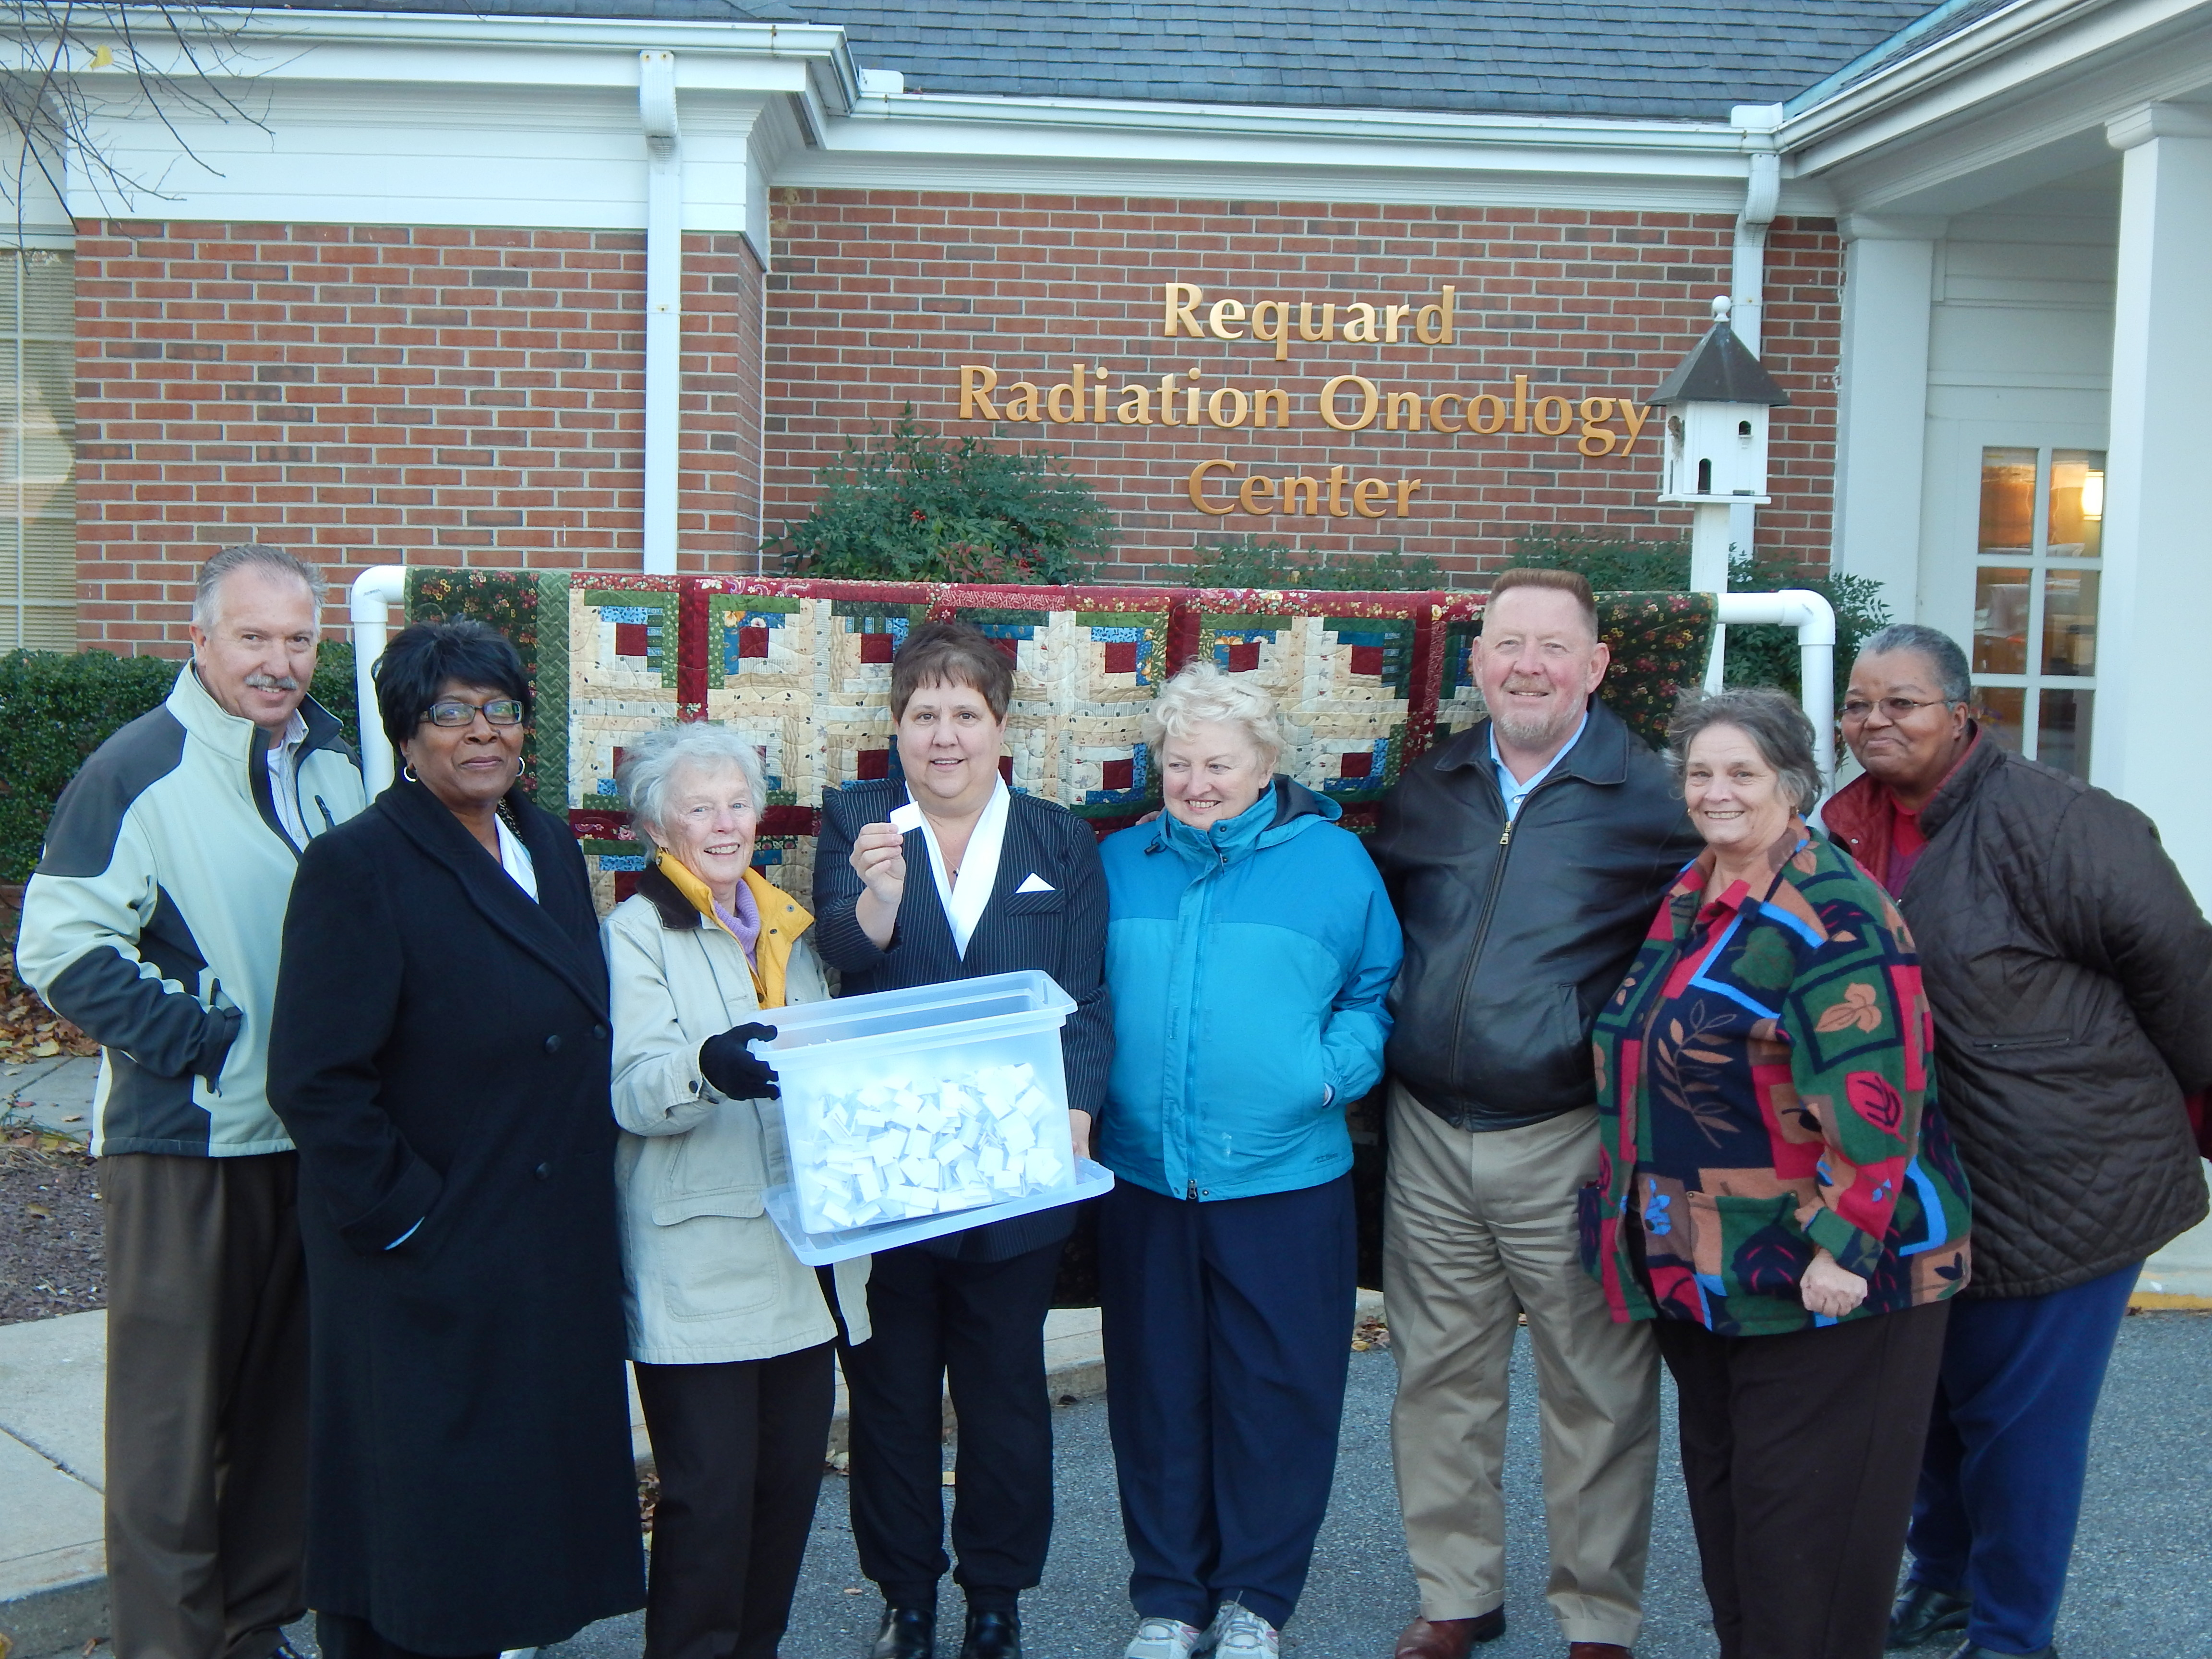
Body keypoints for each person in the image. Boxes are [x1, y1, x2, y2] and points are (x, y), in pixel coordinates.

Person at [1822, 625, 2212, 1659]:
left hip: (2069, 1176)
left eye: (1901, 703)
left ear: (1964, 713)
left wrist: (2192, 1115)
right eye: (1858, 705)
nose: (1874, 723)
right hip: (1925, 1181)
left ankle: (2011, 1636)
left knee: (2021, 1433)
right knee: (1930, 1414)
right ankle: (1944, 1585)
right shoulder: (1841, 827)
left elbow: (2183, 979)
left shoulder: (2067, 823)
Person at [266, 620, 645, 1659]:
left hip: (542, 1242)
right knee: (423, 1539)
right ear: (406, 733)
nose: (482, 734)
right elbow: (316, 1080)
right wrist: (409, 1222)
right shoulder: (362, 866)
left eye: (502, 710)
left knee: (516, 1528)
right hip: (429, 1260)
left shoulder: (550, 845)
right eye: (451, 713)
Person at [15, 544, 365, 1659]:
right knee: (171, 1437)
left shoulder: (333, 766)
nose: (278, 662)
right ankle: (167, 1647)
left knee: (278, 1419)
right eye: (254, 637)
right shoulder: (138, 768)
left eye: (299, 639)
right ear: (202, 637)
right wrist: (206, 1043)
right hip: (187, 1146)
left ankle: (251, 1628)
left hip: (305, 1142)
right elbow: (61, 945)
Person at [1583, 688, 1973, 1659]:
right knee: (1736, 1526)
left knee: (1810, 1550)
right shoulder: (1693, 895)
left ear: (1794, 785)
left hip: (1831, 1279)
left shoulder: (1833, 911)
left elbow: (1882, 1093)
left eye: (1742, 773)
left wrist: (1844, 1248)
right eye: (1701, 772)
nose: (1717, 792)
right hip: (1706, 1269)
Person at [1365, 566, 1704, 1659]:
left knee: (1596, 1390)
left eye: (1553, 648)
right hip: (1430, 1135)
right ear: (1476, 662)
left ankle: (1598, 1618)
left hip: (1571, 1138)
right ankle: (1457, 1594)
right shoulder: (1435, 784)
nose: (1528, 666)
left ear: (1596, 667)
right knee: (1438, 1378)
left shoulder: (1655, 801)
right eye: (1508, 645)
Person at [813, 621, 1113, 1659]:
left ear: (1001, 726)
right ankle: (906, 1599)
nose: (945, 737)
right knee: (890, 1401)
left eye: (965, 715)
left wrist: (1073, 1119)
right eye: (924, 715)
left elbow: (1085, 997)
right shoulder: (855, 819)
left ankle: (997, 1600)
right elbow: (843, 952)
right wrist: (880, 896)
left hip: (1014, 1168)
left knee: (1003, 1400)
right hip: (885, 1169)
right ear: (895, 727)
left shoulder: (1057, 839)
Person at [1094, 662, 1401, 1659]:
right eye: (1179, 763)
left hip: (1282, 1182)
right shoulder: (1123, 861)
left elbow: (1376, 991)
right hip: (1147, 1179)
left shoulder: (1335, 865)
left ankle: (1255, 1604)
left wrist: (1327, 1075)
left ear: (1265, 764)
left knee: (1277, 1400)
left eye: (1218, 763)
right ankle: (1171, 1599)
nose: (1196, 783)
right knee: (1158, 1398)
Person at [606, 721, 874, 1659]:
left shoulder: (788, 926)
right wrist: (707, 1068)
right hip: (698, 1268)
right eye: (699, 807)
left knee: (783, 1503)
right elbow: (633, 1089)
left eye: (738, 804)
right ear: (656, 825)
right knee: (709, 1509)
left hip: (805, 1265)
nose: (724, 824)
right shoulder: (636, 932)